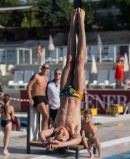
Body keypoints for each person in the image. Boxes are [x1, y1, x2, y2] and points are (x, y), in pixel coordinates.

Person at [39, 8, 86, 149]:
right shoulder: (74, 132)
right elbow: (78, 141)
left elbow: (42, 133)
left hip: (64, 91)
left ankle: (72, 24)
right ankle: (82, 23)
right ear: (67, 138)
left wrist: (46, 141)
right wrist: (62, 144)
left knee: (70, 59)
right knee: (80, 60)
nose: (60, 132)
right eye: (62, 135)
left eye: (57, 134)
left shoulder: (54, 128)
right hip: (77, 93)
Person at [27, 63, 50, 130]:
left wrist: (48, 99)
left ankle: (45, 133)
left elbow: (46, 90)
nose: (45, 69)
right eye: (44, 67)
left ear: (49, 70)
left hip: (44, 97)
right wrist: (30, 98)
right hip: (37, 97)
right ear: (41, 68)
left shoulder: (47, 78)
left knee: (47, 118)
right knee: (46, 115)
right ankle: (42, 134)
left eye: (47, 68)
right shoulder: (36, 76)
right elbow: (29, 86)